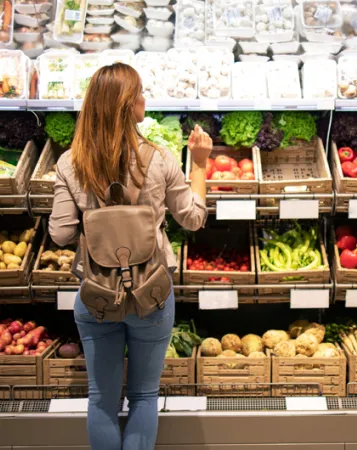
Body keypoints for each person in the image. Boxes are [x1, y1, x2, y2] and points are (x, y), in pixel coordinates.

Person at [48, 63, 212, 450]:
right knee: (143, 396)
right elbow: (192, 219)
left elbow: (60, 233)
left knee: (101, 400)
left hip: (96, 295)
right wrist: (201, 164)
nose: (144, 99)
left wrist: (97, 224)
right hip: (151, 293)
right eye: (138, 93)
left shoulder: (71, 163)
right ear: (126, 106)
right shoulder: (160, 158)